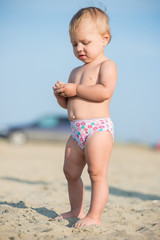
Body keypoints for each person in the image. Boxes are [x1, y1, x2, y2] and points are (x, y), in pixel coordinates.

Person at [53, 7, 117, 227]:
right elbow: (69, 106)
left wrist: (76, 90)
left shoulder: (106, 66)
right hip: (76, 130)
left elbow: (104, 92)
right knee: (70, 172)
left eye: (85, 43)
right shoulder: (75, 72)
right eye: (74, 44)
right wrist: (62, 96)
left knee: (96, 173)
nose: (79, 48)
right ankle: (75, 209)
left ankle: (94, 216)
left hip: (97, 130)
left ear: (104, 39)